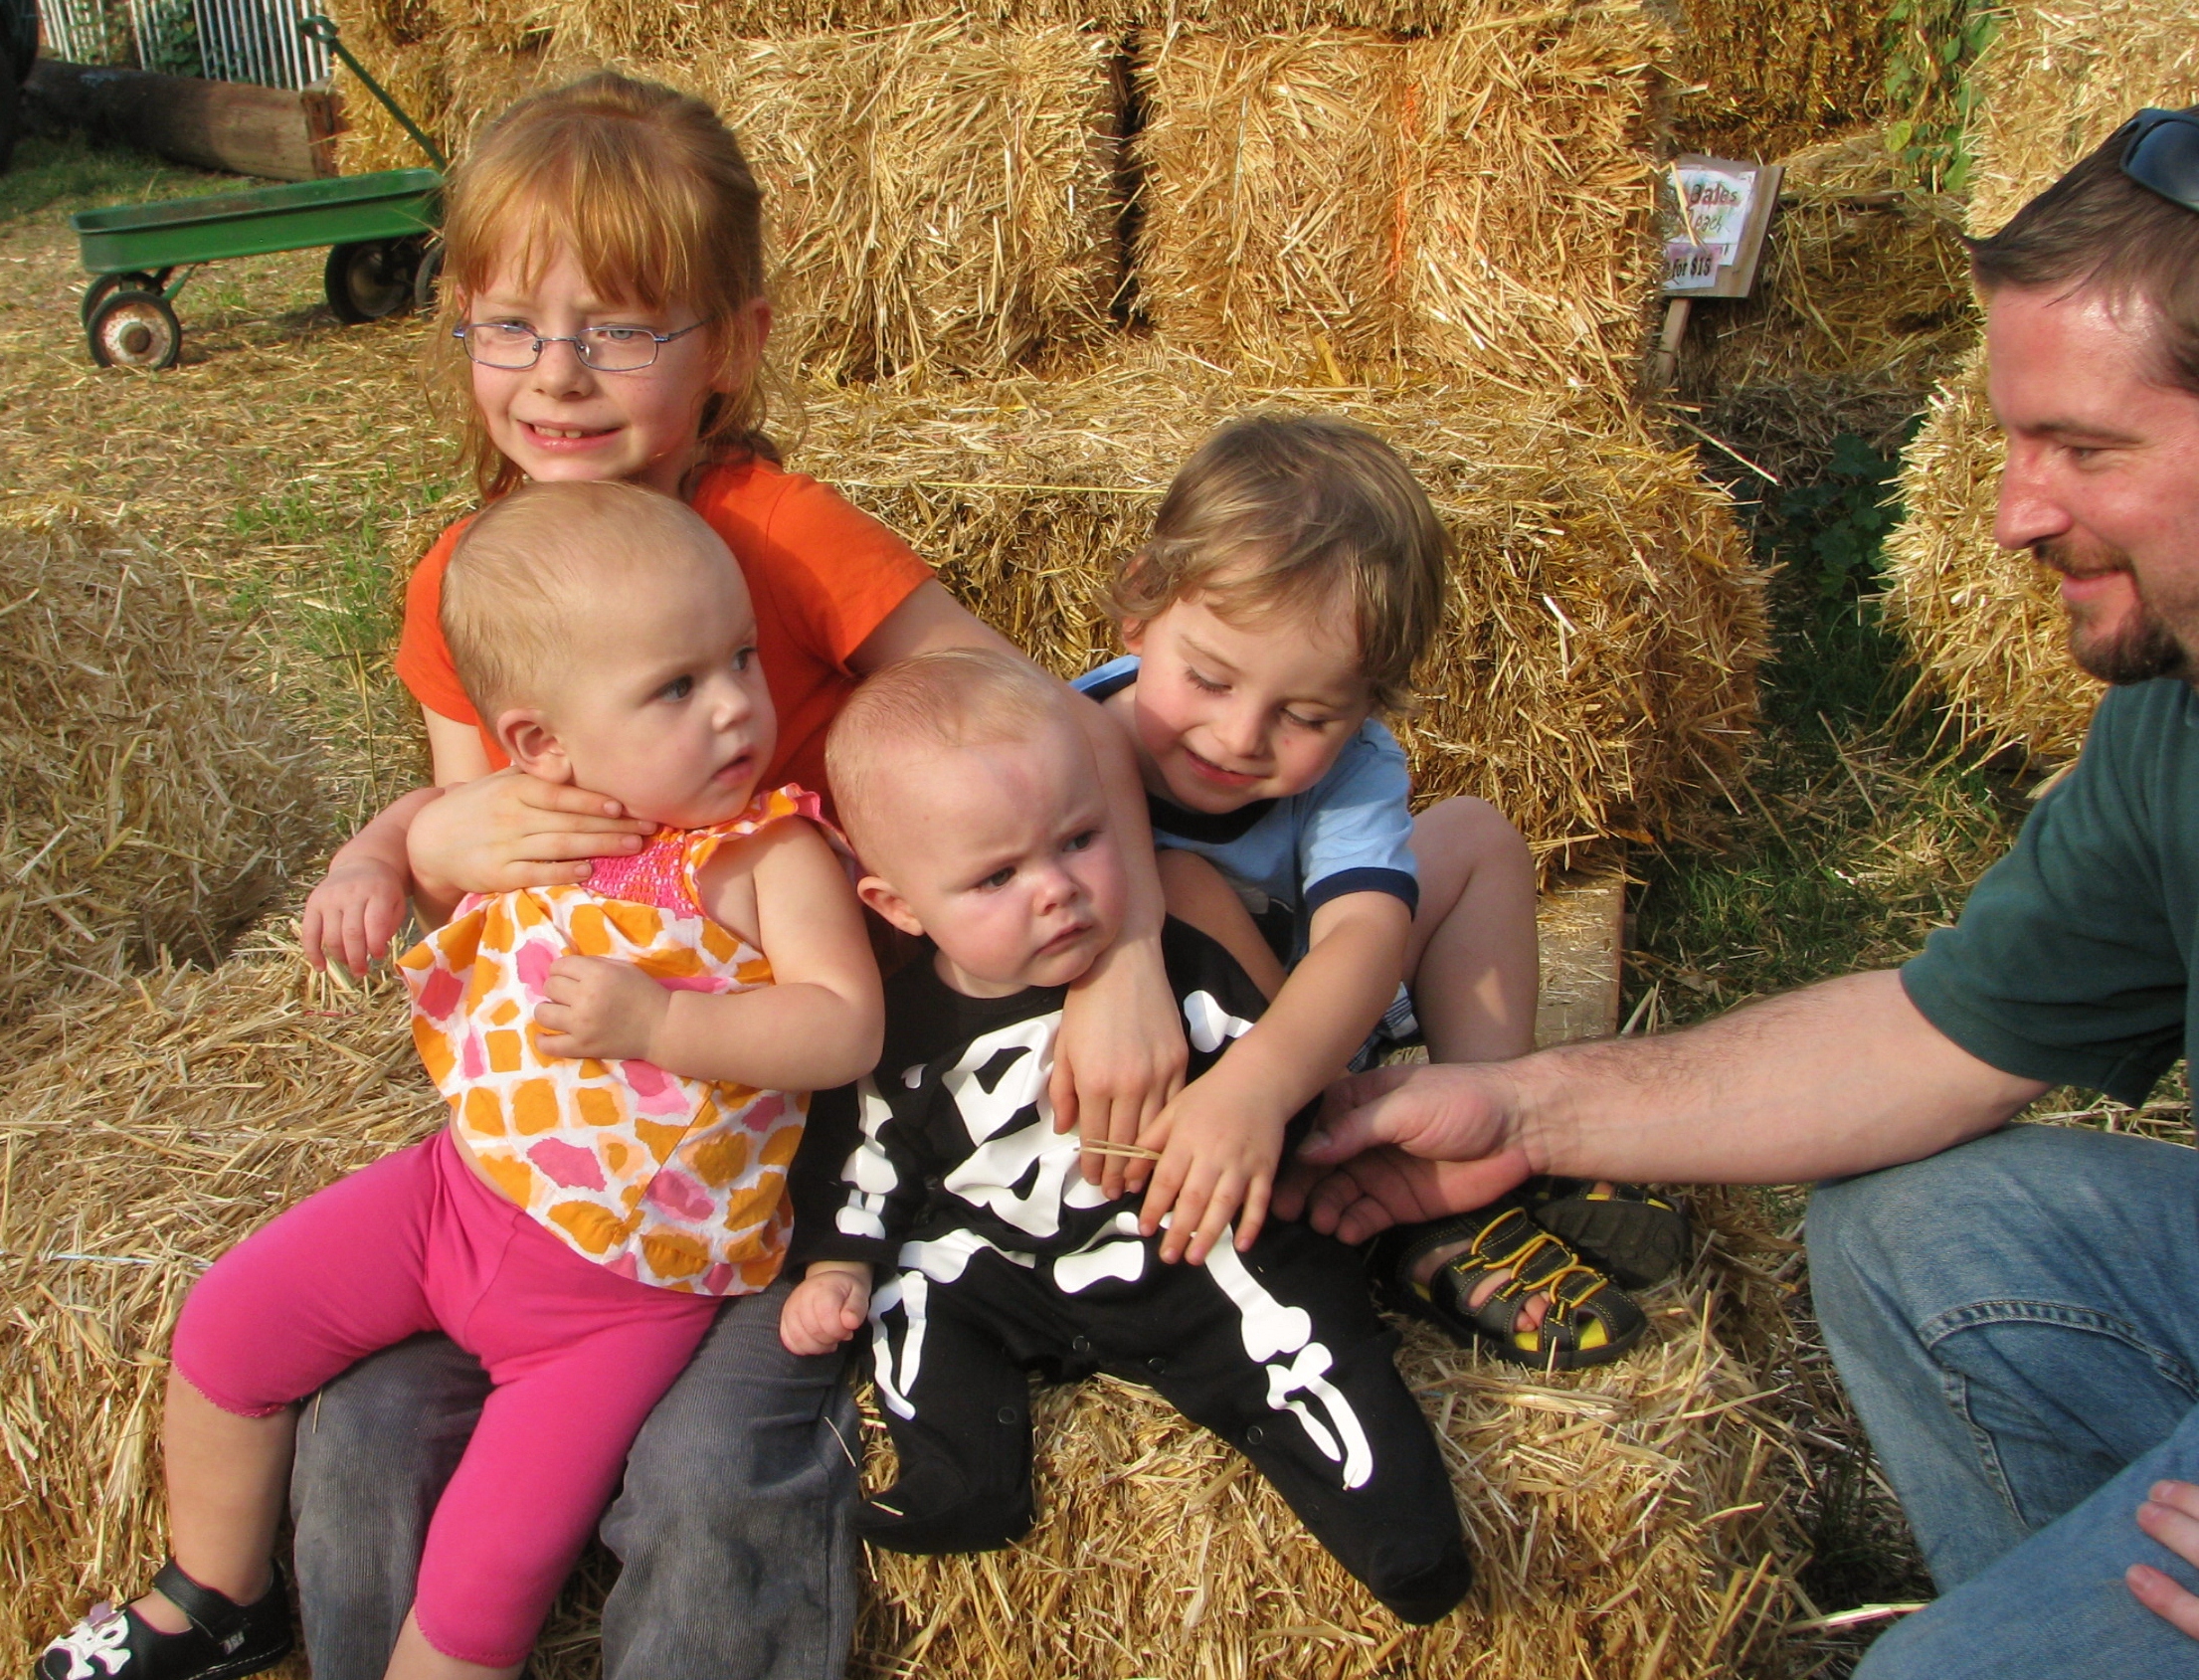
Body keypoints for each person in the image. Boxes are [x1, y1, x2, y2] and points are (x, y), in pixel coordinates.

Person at [283, 75, 1185, 1680]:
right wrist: (419, 845)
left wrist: (1122, 958)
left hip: (815, 1112)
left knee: (710, 1461)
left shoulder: (778, 533)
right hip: (594, 1140)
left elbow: (1042, 714)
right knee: (360, 1421)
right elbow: (491, 866)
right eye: (510, 324)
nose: (558, 372)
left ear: (733, 346)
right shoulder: (468, 582)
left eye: (621, 327)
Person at [1276, 109, 2199, 1678]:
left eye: (2085, 450)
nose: (2012, 514)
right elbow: (1936, 1040)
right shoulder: (2171, 722)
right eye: (2012, 442)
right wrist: (1517, 1111)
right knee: (1918, 1226)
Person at [36, 480, 883, 1680]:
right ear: (541, 743)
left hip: (621, 1298)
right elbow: (419, 815)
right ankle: (217, 1592)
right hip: (453, 1200)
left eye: (741, 658)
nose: (737, 704)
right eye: (677, 687)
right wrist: (367, 865)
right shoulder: (536, 811)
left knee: (487, 1576)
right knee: (226, 1327)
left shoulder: (767, 852)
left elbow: (845, 1027)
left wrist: (665, 1022)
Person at [781, 648, 1473, 1623]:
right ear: (898, 906)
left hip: (1184, 1246)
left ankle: (1396, 1525)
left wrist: (1285, 1138)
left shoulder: (1179, 967)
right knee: (917, 1282)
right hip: (1012, 1268)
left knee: (1306, 1319)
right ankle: (960, 1479)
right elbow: (866, 1161)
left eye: (1079, 840)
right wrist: (837, 1265)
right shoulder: (899, 1036)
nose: (1055, 890)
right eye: (996, 876)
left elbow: (1269, 1074)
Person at [1073, 413, 1681, 1367]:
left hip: (1307, 1034)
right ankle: (1366, 1185)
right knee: (1180, 880)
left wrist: (1266, 1078)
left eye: (1308, 714)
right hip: (1174, 1071)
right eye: (1209, 680)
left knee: (1476, 836)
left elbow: (1362, 936)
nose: (1240, 737)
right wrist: (1236, 1088)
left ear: (1368, 702)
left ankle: (1479, 1137)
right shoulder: (1057, 739)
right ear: (1141, 607)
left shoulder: (1355, 764)